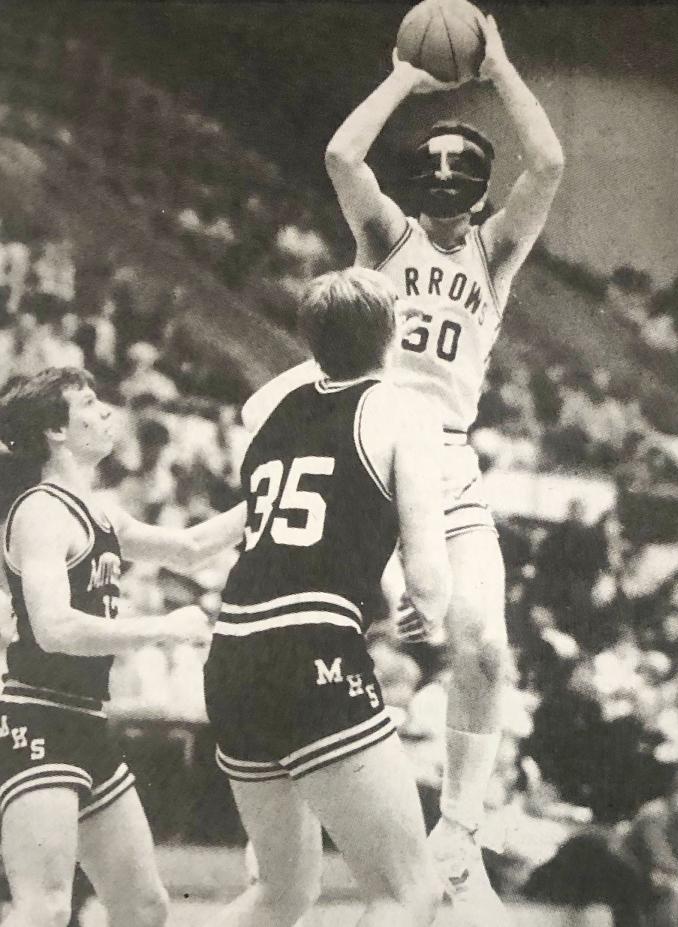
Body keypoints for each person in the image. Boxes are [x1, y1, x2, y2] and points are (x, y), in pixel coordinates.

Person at [325, 15, 564, 919]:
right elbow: (345, 160)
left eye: (464, 167)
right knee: (352, 645)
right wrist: (400, 79)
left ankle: (460, 829)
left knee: (488, 645)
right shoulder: (385, 236)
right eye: (436, 164)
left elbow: (549, 166)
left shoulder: (497, 250)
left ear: (477, 183)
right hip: (370, 449)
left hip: (449, 459)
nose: (448, 180)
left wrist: (499, 66)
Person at [204, 268, 451, 927]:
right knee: (408, 892)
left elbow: (302, 379)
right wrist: (428, 607)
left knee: (281, 893)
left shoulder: (267, 413)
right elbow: (426, 574)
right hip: (311, 646)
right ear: (394, 333)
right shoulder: (404, 409)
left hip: (230, 651)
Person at [0, 366, 245, 927]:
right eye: (89, 404)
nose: (107, 413)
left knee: (143, 907)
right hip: (35, 721)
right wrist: (160, 629)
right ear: (55, 431)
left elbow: (191, 547)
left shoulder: (99, 510)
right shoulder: (39, 511)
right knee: (44, 908)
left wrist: (269, 488)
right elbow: (53, 628)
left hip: (85, 724)